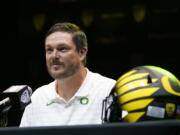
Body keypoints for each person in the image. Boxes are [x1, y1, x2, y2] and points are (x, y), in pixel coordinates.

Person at [20, 22, 116, 127]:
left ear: (82, 53)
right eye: (49, 50)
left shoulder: (107, 90)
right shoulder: (38, 98)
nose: (54, 56)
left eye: (62, 49)